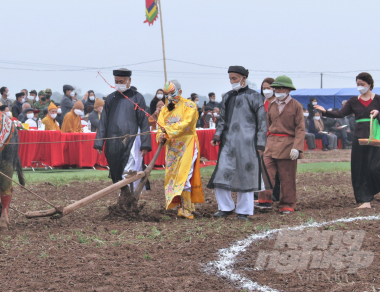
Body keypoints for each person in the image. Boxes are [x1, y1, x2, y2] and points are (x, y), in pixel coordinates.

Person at [314, 72, 380, 209]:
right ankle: (365, 200)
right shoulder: (353, 101)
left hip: (376, 135)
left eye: (362, 84)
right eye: (358, 84)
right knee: (359, 169)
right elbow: (340, 113)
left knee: (374, 167)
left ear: (370, 85)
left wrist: (378, 114)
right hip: (359, 136)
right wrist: (325, 111)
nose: (360, 87)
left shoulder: (378, 99)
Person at [207, 66, 269, 221]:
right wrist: (217, 136)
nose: (231, 81)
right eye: (230, 79)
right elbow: (221, 120)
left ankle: (243, 210)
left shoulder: (255, 96)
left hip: (248, 144)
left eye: (234, 78)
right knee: (221, 174)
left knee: (246, 176)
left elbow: (262, 122)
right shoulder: (227, 97)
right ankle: (225, 207)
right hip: (228, 144)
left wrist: (261, 144)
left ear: (243, 78)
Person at [94, 69, 152, 188]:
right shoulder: (110, 98)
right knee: (116, 168)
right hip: (113, 141)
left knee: (129, 168)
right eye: (116, 81)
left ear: (129, 81)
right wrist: (99, 142)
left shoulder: (137, 98)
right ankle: (124, 193)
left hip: (131, 140)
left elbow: (144, 121)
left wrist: (145, 144)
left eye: (122, 81)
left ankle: (128, 196)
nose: (119, 84)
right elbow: (103, 121)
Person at [256, 76, 305, 213]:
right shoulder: (271, 104)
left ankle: (287, 205)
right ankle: (264, 201)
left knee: (287, 177)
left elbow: (300, 128)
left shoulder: (296, 106)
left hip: (288, 145)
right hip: (271, 143)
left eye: (280, 88)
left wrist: (297, 147)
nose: (277, 90)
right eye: (276, 88)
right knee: (265, 173)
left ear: (288, 90)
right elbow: (266, 126)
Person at [156, 80, 204, 219]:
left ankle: (186, 209)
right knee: (173, 178)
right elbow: (160, 127)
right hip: (172, 149)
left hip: (187, 145)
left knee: (185, 175)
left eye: (172, 93)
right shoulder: (165, 110)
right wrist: (160, 136)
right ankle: (183, 206)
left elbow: (187, 125)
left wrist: (168, 130)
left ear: (180, 92)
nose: (169, 97)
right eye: (167, 94)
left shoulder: (190, 106)